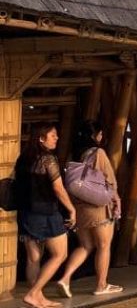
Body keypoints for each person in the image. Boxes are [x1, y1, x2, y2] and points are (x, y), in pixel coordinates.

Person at [55, 121, 122, 298]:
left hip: (79, 208)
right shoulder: (98, 152)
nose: (101, 137)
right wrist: (116, 199)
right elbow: (110, 179)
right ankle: (101, 285)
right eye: (100, 134)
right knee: (104, 245)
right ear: (95, 135)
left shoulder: (74, 154)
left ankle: (65, 278)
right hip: (98, 207)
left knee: (86, 245)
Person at [14, 123, 75, 308]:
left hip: (26, 213)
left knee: (34, 258)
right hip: (46, 212)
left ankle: (38, 297)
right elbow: (58, 188)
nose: (56, 138)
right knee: (60, 254)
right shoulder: (48, 159)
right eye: (53, 135)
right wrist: (71, 208)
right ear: (41, 138)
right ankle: (33, 294)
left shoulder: (24, 158)